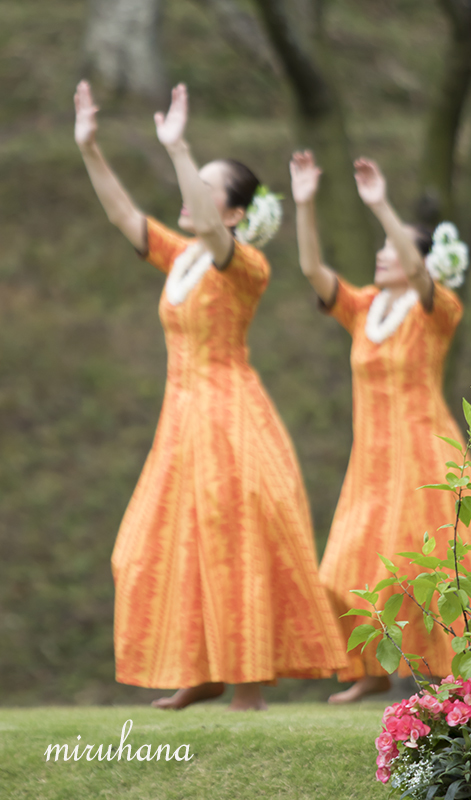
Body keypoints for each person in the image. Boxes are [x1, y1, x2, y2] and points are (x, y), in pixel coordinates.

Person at [73, 82, 348, 712]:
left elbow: (221, 244)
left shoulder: (244, 263)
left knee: (232, 545)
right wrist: (89, 146)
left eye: (203, 185)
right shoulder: (183, 259)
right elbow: (123, 216)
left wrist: (178, 148)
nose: (186, 194)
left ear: (231, 214)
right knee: (148, 546)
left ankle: (244, 689)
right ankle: (205, 669)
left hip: (231, 422)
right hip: (181, 423)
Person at [289, 150, 471, 703]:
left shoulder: (438, 309)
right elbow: (313, 271)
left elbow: (422, 277)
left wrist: (380, 205)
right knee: (343, 566)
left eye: (392, 249)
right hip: (373, 463)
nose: (381, 256)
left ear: (419, 262)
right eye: (381, 248)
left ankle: (453, 682)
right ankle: (375, 668)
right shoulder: (364, 308)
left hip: (428, 457)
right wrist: (304, 203)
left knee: (428, 569)